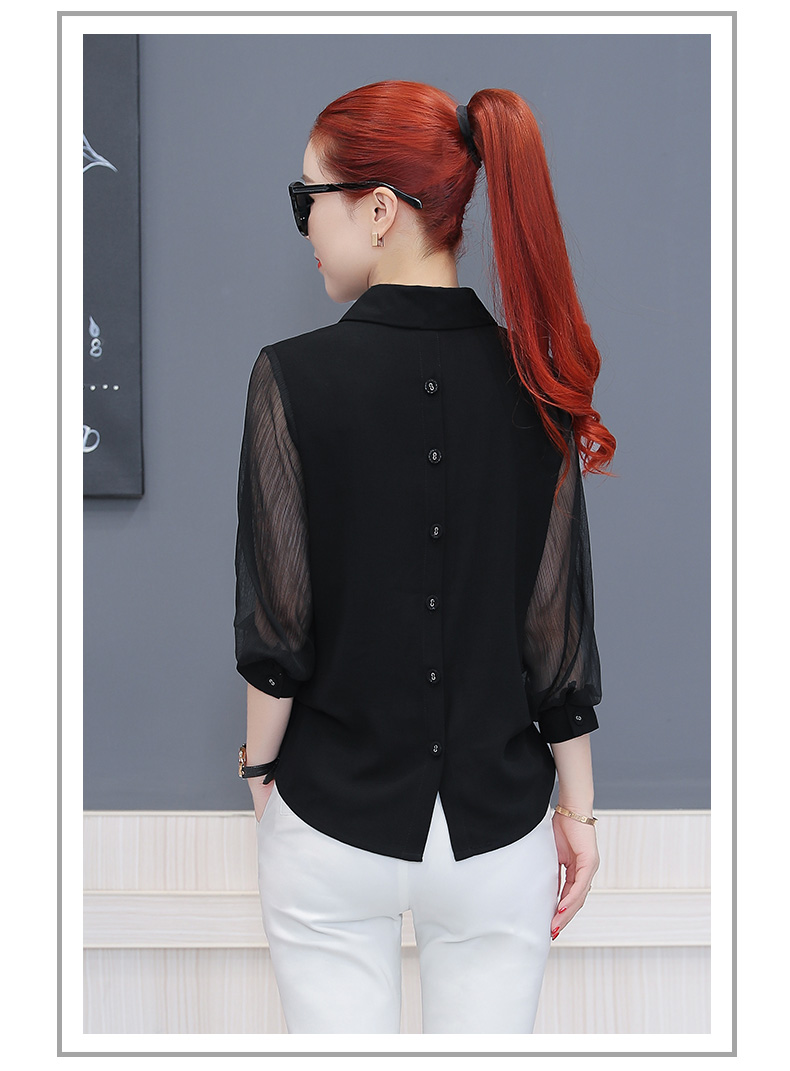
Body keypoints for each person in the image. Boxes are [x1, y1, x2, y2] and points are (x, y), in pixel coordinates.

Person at [233, 80, 616, 1035]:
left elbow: (279, 625)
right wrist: (578, 812)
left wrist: (259, 771)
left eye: (308, 197)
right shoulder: (537, 387)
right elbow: (555, 631)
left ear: (377, 208)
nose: (303, 224)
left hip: (331, 814)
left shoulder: (290, 377)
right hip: (498, 827)